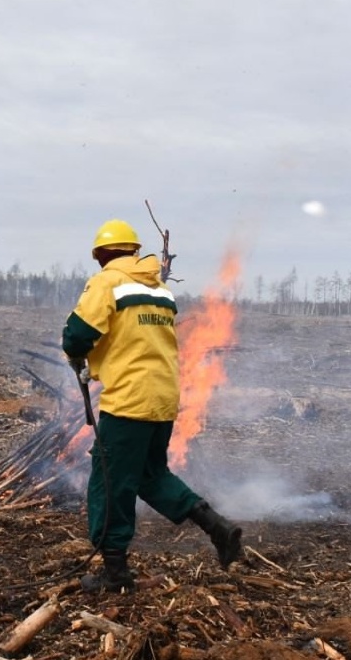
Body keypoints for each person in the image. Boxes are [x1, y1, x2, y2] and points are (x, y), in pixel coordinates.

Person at [61, 219, 242, 592]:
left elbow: (77, 334)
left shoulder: (108, 282)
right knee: (151, 476)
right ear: (134, 250)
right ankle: (218, 528)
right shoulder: (159, 290)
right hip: (163, 400)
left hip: (128, 401)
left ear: (102, 255)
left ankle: (115, 574)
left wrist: (77, 356)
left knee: (111, 482)